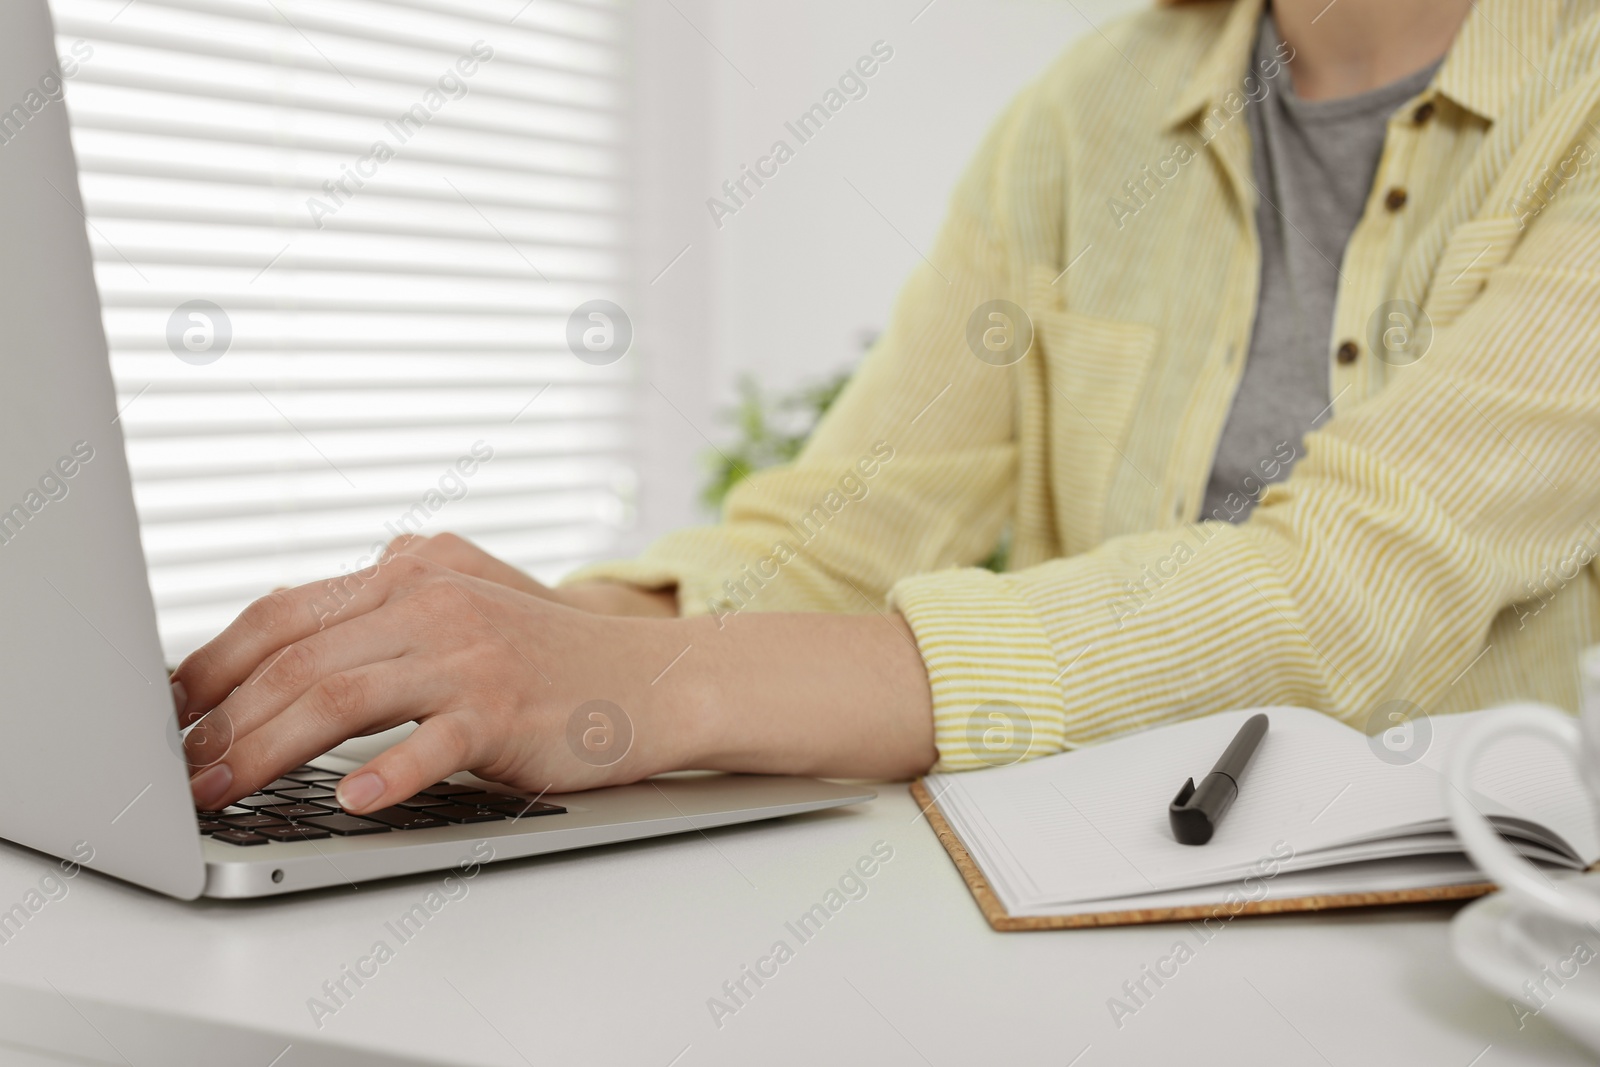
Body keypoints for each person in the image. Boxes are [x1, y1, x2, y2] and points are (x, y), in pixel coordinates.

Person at [177, 0, 1600, 816]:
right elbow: (854, 512)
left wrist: (656, 688)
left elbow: (1348, 590)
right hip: (1094, 888)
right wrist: (564, 634)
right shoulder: (1089, 115)